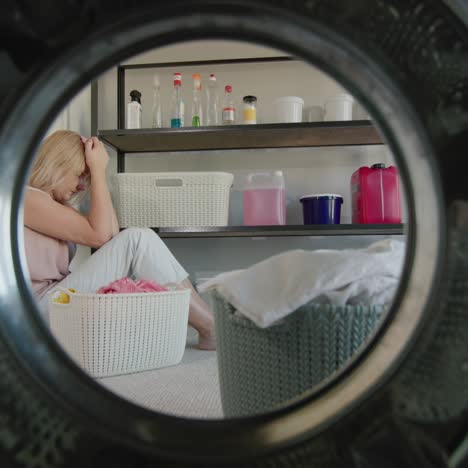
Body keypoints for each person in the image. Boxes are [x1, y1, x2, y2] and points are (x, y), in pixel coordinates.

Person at [23, 130, 216, 350]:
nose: (81, 186)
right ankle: (210, 328)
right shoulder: (26, 198)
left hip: (55, 301)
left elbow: (112, 238)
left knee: (136, 238)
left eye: (86, 178)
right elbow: (104, 236)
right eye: (79, 175)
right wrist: (97, 170)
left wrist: (99, 175)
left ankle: (209, 326)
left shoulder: (53, 205)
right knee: (138, 238)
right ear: (57, 164)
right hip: (36, 311)